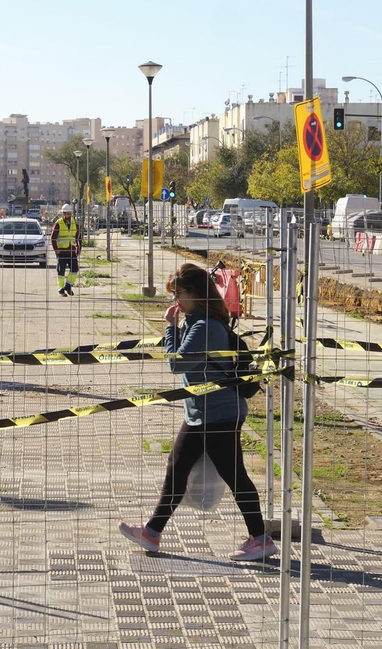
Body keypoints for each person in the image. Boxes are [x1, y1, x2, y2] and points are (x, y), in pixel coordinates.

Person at [119, 263, 277, 561]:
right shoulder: (199, 321)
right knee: (177, 469)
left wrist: (169, 327)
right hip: (203, 412)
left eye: (178, 294)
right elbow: (186, 359)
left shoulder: (204, 326)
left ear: (195, 293)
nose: (175, 301)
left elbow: (177, 364)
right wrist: (177, 327)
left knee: (235, 476)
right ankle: (152, 532)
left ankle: (260, 539)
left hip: (218, 413)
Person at [51, 203, 81, 297]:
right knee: (61, 271)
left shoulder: (74, 224)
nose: (68, 215)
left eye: (70, 214)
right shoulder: (58, 224)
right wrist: (56, 250)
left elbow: (78, 238)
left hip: (72, 251)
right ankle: (61, 289)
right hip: (62, 251)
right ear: (63, 213)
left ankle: (68, 285)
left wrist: (79, 248)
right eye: (67, 214)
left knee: (74, 269)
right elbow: (53, 238)